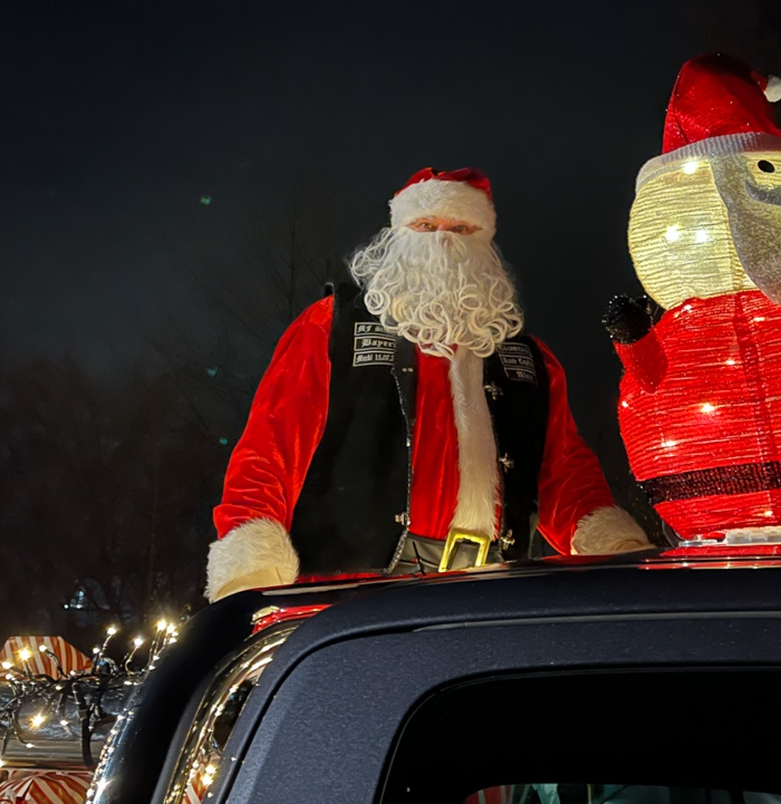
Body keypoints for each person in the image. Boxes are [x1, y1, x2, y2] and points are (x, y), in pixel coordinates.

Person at [206, 167, 649, 601]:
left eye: (461, 227)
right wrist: (252, 565)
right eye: (426, 225)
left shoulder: (528, 361)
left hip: (496, 589)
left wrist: (613, 545)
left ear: (485, 244)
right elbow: (270, 451)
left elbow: (564, 473)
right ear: (398, 235)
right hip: (352, 597)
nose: (443, 239)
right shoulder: (332, 330)